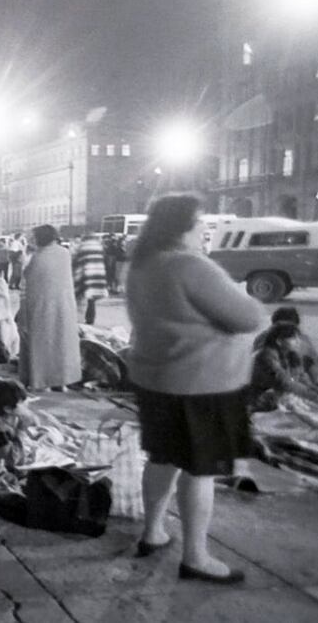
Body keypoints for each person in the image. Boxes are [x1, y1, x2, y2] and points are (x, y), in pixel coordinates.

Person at [126, 193, 264, 584]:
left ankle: (153, 532)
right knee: (200, 470)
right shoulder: (189, 265)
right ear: (182, 226)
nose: (204, 228)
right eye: (200, 221)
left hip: (157, 381)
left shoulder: (142, 264)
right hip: (202, 385)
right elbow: (250, 317)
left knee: (162, 459)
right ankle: (195, 557)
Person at [16, 225, 81, 391]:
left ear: (40, 238)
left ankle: (43, 381)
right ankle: (62, 381)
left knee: (43, 345)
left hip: (42, 307)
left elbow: (29, 279)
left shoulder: (39, 257)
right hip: (64, 307)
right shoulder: (65, 253)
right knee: (62, 344)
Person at [249, 323, 318, 411]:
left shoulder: (292, 354)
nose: (298, 341)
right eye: (293, 338)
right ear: (279, 341)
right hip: (262, 400)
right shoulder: (267, 355)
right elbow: (285, 383)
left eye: (298, 337)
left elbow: (301, 377)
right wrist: (313, 395)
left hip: (281, 397)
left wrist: (313, 389)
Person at [73, 234, 109, 325]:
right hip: (96, 275)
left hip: (84, 275)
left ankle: (78, 320)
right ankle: (90, 320)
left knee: (79, 300)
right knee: (91, 300)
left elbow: (77, 262)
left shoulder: (82, 247)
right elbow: (105, 262)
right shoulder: (99, 248)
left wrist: (76, 275)